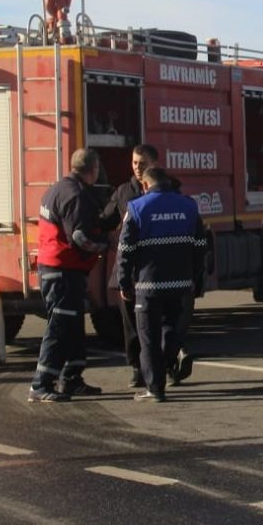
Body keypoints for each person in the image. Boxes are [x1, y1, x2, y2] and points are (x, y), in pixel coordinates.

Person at [118, 166, 208, 402]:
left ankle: (155, 389)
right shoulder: (189, 206)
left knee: (148, 337)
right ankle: (171, 353)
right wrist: (197, 279)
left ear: (146, 185)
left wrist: (123, 281)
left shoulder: (137, 208)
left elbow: (125, 250)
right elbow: (200, 247)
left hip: (149, 285)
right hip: (179, 283)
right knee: (169, 326)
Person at [30, 148, 109, 403]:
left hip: (55, 268)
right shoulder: (77, 196)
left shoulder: (57, 188)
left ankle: (72, 378)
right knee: (60, 327)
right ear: (93, 169)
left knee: (73, 325)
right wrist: (104, 247)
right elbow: (80, 237)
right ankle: (40, 385)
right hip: (63, 271)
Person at [99, 144, 160, 389]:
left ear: (154, 164)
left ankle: (163, 364)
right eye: (134, 163)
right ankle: (136, 368)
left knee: (158, 320)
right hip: (129, 269)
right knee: (131, 323)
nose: (137, 168)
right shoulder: (124, 192)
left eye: (142, 163)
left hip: (154, 268)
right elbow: (106, 220)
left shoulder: (165, 191)